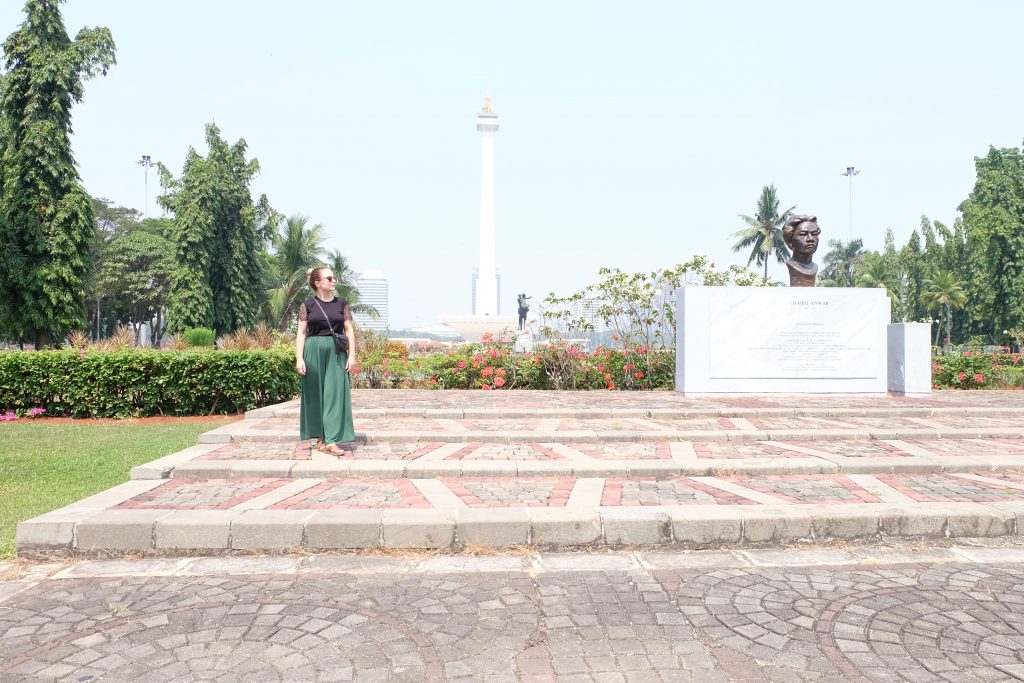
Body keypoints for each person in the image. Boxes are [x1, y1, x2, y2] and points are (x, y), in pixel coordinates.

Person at [296, 266, 356, 455]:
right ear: (317, 283)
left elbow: (349, 331)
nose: (333, 280)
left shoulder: (341, 304)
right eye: (329, 278)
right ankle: (321, 437)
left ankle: (331, 440)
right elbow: (301, 333)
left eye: (334, 277)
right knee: (316, 395)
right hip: (313, 352)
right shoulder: (308, 305)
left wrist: (352, 355)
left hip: (336, 353)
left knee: (334, 394)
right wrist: (299, 358)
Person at [782, 215, 821, 287]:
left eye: (814, 234)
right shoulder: (792, 265)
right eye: (803, 234)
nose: (810, 239)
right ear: (790, 241)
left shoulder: (815, 266)